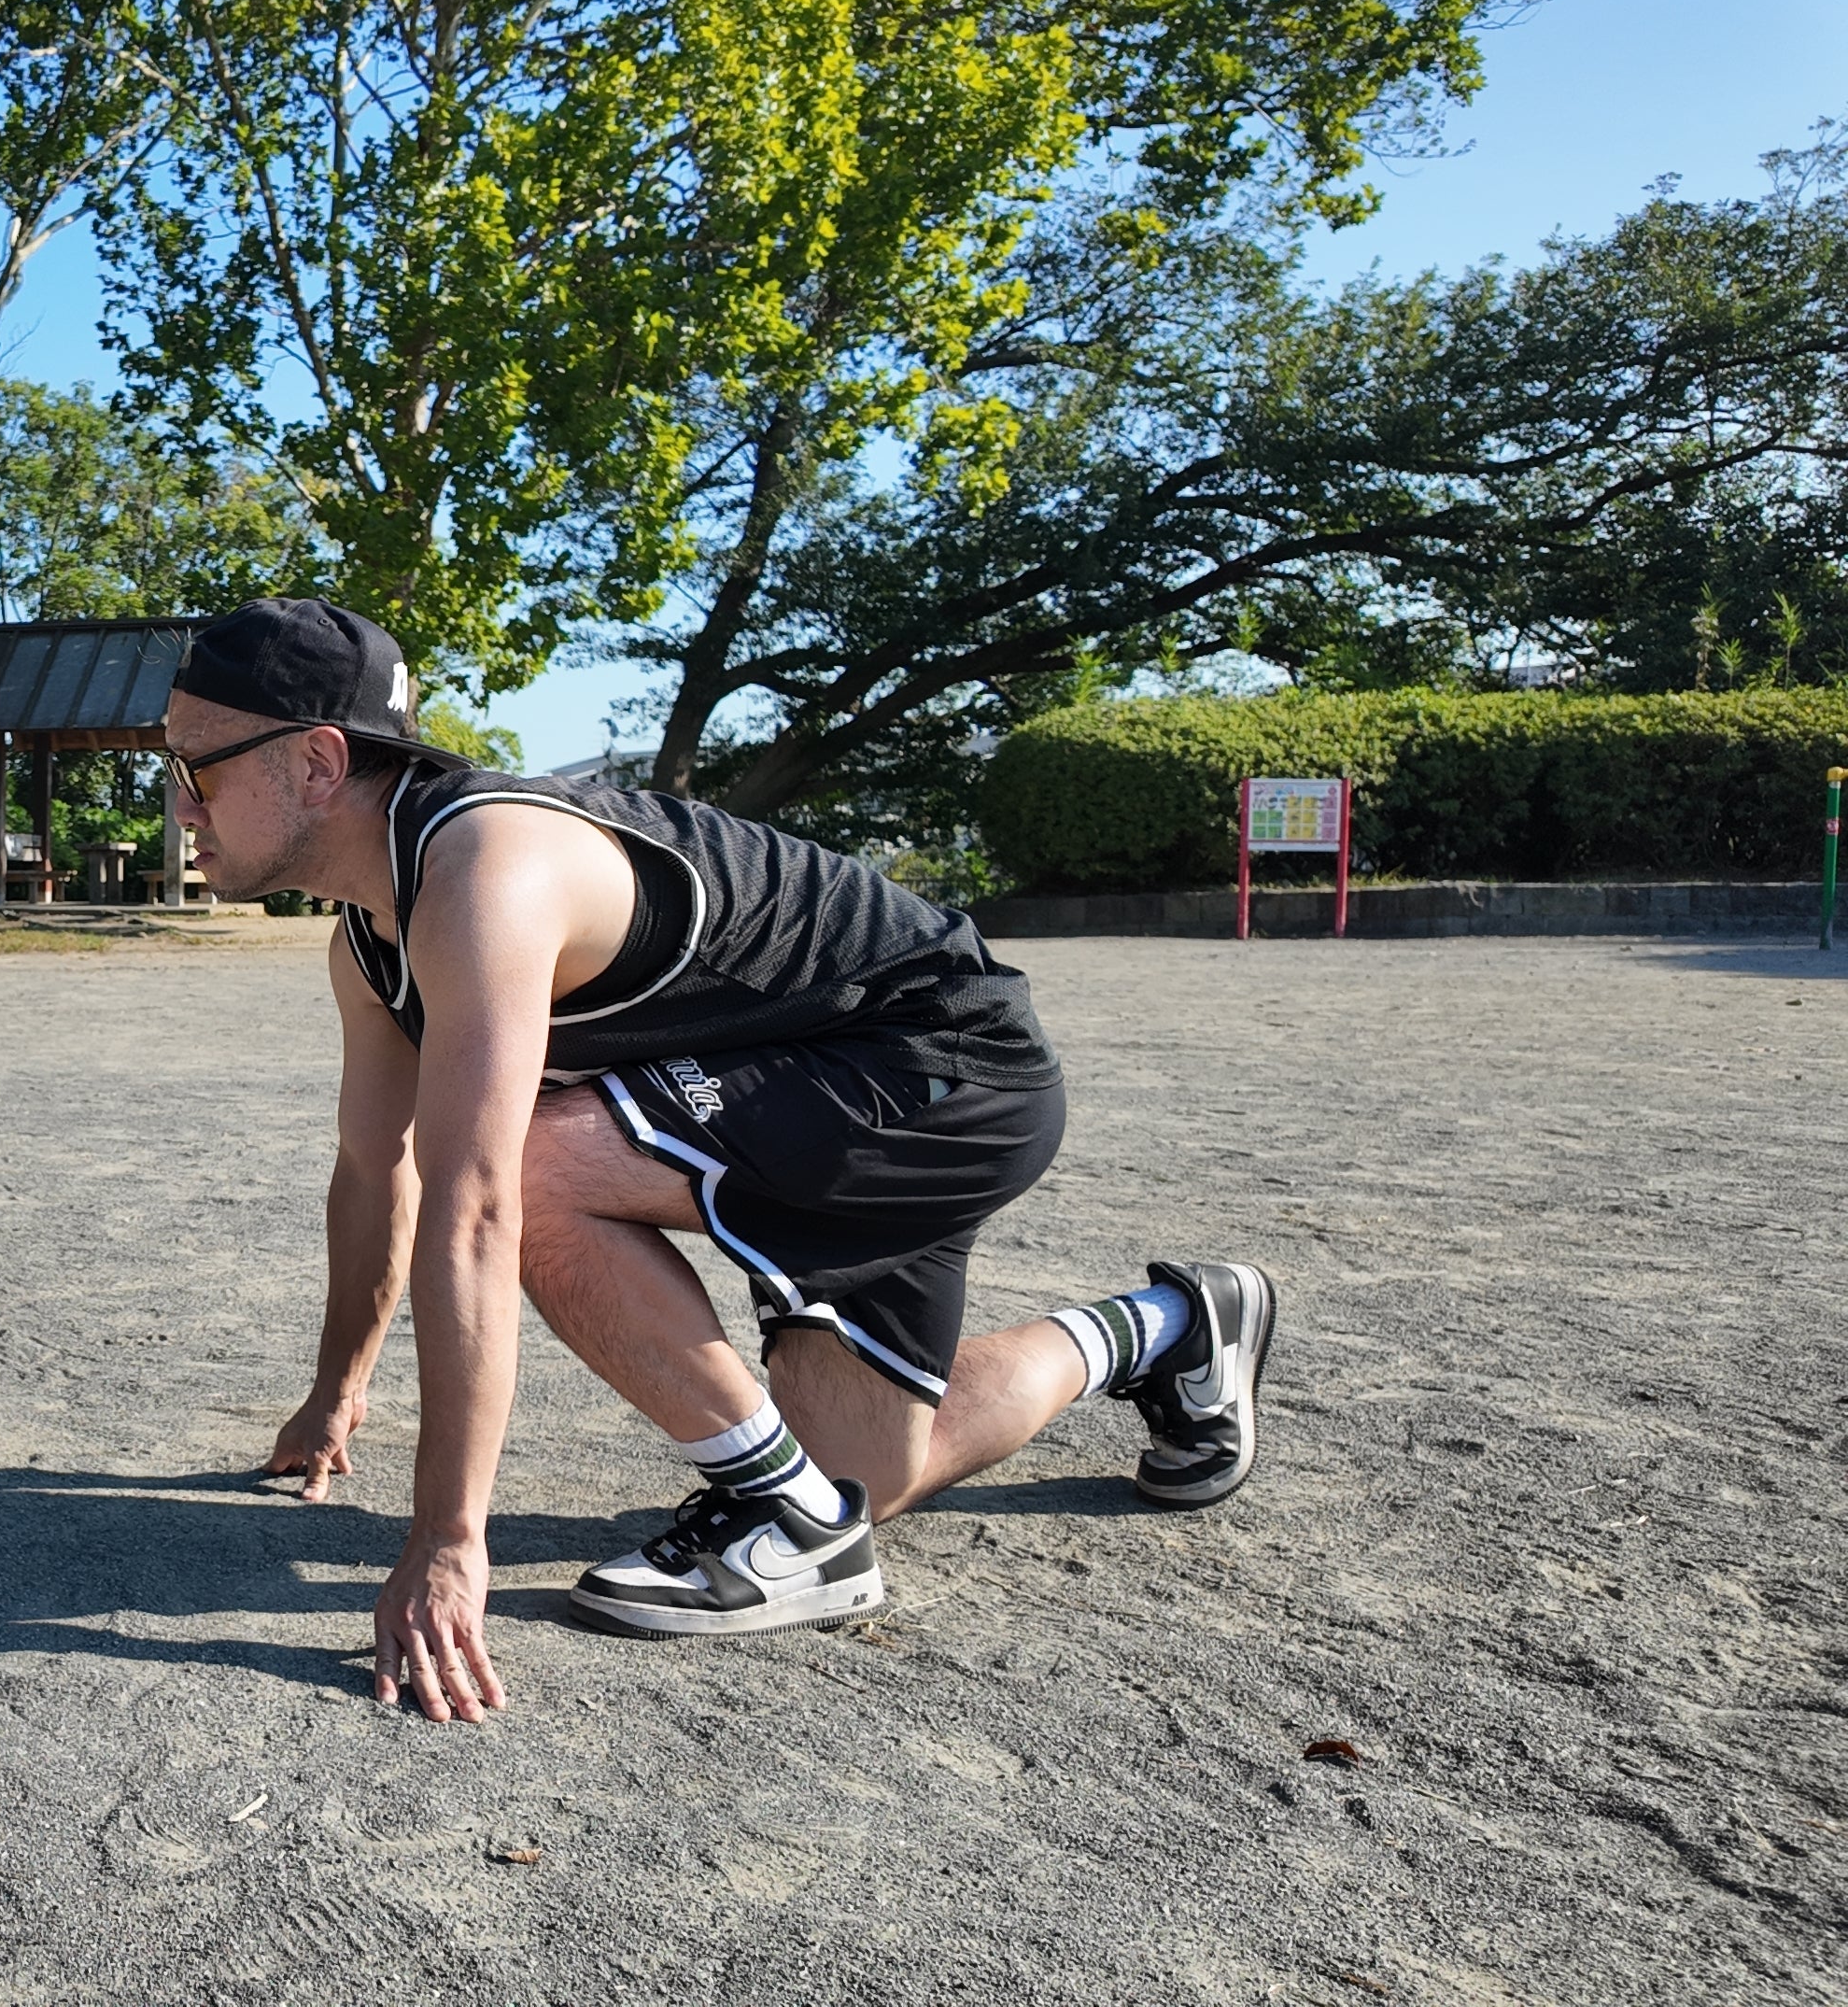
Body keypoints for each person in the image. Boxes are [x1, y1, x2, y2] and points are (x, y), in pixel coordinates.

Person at [162, 599, 1277, 1723]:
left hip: (945, 1068)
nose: (177, 804)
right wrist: (337, 1391)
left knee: (533, 1170)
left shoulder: (488, 868)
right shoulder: (368, 941)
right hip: (833, 1082)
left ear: (319, 763)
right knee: (864, 1474)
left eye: (194, 767)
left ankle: (787, 1523)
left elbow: (480, 1208)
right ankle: (1177, 1326)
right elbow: (376, 1170)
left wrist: (449, 1539)